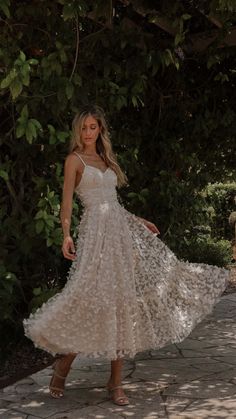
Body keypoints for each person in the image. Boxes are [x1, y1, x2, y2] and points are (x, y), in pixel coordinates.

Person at [24, 105, 229, 405]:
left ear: (100, 130)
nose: (89, 132)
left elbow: (113, 204)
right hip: (95, 237)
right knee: (87, 302)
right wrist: (66, 234)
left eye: (93, 127)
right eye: (84, 127)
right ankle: (63, 365)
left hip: (120, 235)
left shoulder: (106, 159)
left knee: (122, 305)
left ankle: (115, 383)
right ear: (78, 131)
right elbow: (66, 203)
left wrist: (139, 221)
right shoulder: (74, 160)